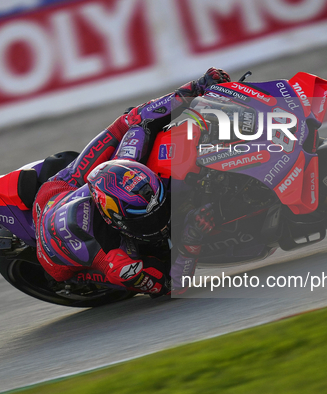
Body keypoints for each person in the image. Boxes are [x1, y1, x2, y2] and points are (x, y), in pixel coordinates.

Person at [32, 68, 230, 295]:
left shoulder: (126, 159)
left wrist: (196, 87)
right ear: (116, 221)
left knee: (127, 123)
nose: (160, 221)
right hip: (56, 240)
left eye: (158, 208)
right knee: (140, 267)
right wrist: (192, 238)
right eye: (146, 219)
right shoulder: (118, 258)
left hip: (61, 191)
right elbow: (171, 286)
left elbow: (138, 118)